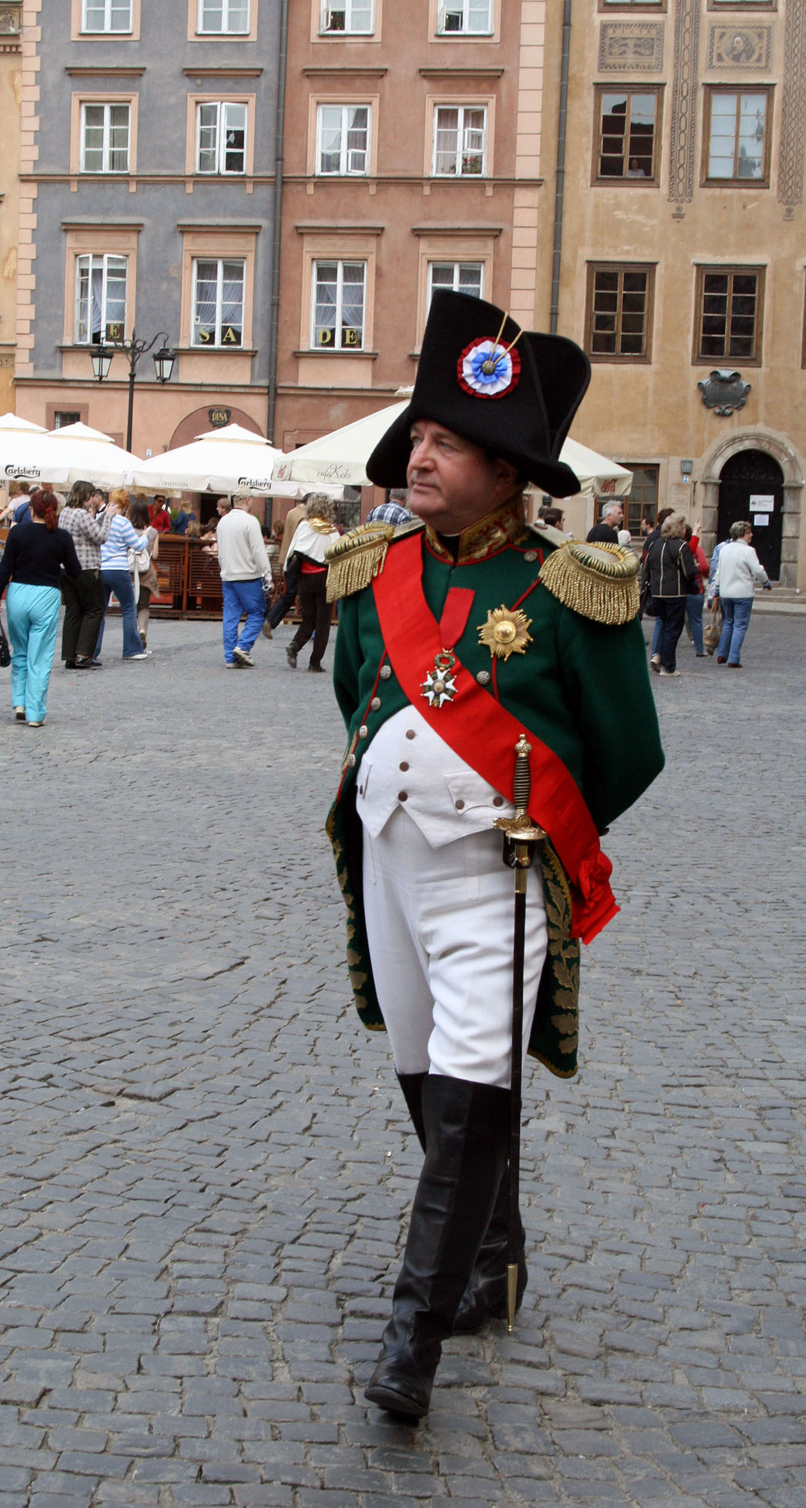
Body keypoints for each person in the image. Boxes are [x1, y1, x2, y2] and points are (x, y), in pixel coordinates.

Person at [324, 290, 663, 1420]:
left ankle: (411, 1338)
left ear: (507, 471)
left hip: (495, 873)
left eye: (445, 442)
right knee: (424, 1069)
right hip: (389, 859)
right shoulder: (377, 571)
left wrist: (532, 824)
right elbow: (354, 699)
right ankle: (497, 1248)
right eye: (418, 436)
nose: (418, 455)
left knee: (474, 1081)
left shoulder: (572, 588)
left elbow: (625, 750)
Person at [0, 490, 81, 726]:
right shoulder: (61, 536)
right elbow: (75, 571)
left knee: (20, 650)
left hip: (17, 593)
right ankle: (35, 712)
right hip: (46, 595)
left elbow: (5, 565)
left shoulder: (18, 532)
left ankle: (19, 702)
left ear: (31, 509)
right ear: (55, 511)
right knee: (39, 656)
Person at [59, 481, 112, 669]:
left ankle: (69, 655)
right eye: (91, 496)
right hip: (86, 567)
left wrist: (99, 517)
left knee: (73, 610)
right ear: (86, 496)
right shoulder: (81, 514)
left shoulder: (65, 512)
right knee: (94, 609)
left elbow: (88, 531)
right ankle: (83, 654)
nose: (93, 500)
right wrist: (108, 517)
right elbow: (100, 537)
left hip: (66, 568)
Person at [284, 494, 339, 674]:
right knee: (322, 622)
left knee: (308, 618)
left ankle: (295, 645)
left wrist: (287, 571)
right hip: (324, 578)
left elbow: (292, 550)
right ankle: (315, 662)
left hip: (305, 579)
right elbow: (338, 556)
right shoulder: (332, 531)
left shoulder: (304, 526)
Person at [216, 494, 271, 667]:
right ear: (248, 500)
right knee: (256, 613)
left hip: (228, 574)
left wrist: (223, 568)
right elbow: (258, 551)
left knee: (230, 616)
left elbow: (220, 552)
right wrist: (267, 575)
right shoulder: (251, 521)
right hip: (248, 575)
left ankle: (230, 657)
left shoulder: (222, 522)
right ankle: (243, 646)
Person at [97, 488, 150, 660]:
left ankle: (92, 649)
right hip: (118, 568)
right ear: (127, 505)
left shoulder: (100, 518)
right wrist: (146, 537)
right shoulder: (122, 522)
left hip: (101, 568)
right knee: (128, 608)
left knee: (99, 611)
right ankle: (131, 649)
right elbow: (137, 545)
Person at [643, 511, 697, 677]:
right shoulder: (680, 546)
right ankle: (668, 666)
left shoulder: (655, 544)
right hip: (675, 593)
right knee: (673, 629)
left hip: (658, 592)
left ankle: (658, 656)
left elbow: (647, 568)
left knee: (665, 625)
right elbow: (689, 572)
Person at [716, 520, 771, 668]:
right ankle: (734, 657)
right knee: (740, 625)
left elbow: (719, 571)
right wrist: (766, 582)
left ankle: (722, 653)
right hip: (743, 593)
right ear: (742, 534)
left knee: (728, 622)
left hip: (726, 592)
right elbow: (758, 570)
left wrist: (716, 588)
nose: (751, 535)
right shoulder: (748, 551)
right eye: (749, 532)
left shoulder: (724, 549)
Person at [262, 499, 307, 639]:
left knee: (290, 594)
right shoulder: (306, 515)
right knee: (310, 596)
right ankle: (310, 631)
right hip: (302, 560)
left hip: (289, 559)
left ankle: (270, 620)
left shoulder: (291, 513)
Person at [128, 498, 161, 650]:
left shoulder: (127, 529)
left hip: (129, 571)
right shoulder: (153, 532)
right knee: (144, 604)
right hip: (146, 572)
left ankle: (132, 635)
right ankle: (143, 630)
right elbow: (154, 555)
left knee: (130, 605)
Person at [684, 524, 710, 658]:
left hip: (679, 589)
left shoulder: (675, 548)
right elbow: (705, 567)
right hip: (696, 588)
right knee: (696, 620)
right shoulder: (696, 550)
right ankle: (699, 649)